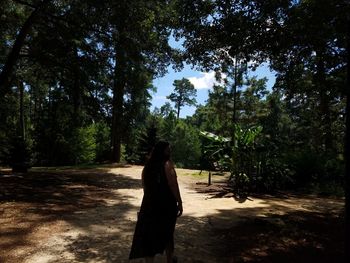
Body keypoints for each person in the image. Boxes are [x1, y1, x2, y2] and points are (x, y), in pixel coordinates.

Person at [129, 141, 183, 263]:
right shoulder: (168, 164)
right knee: (168, 232)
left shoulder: (147, 167)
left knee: (149, 235)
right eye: (168, 149)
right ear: (163, 151)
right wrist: (179, 202)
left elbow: (145, 187)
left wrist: (149, 201)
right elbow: (173, 184)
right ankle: (170, 259)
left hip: (149, 204)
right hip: (166, 205)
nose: (170, 151)